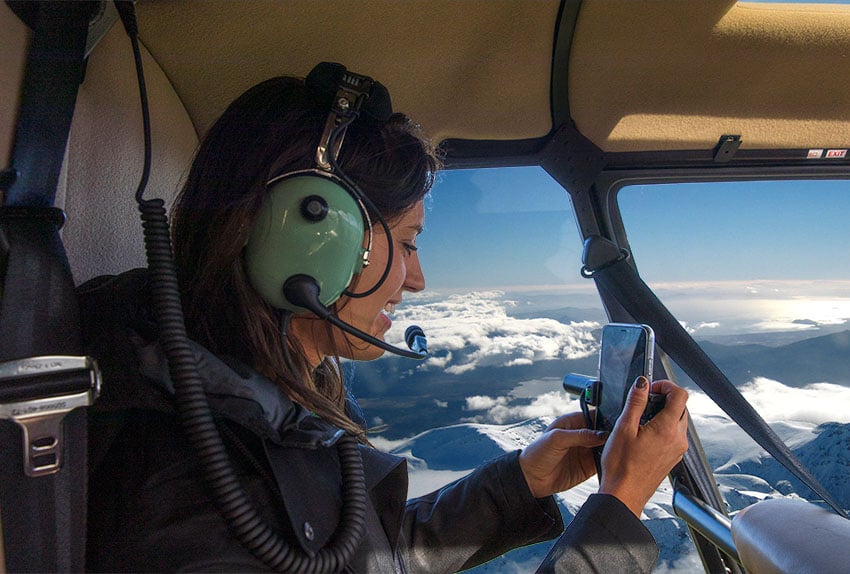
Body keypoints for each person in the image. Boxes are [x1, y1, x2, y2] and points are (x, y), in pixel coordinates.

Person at [81, 63, 689, 573]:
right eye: (408, 241)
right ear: (306, 236)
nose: (418, 280)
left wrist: (520, 482)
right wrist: (620, 506)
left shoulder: (258, 407)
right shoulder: (183, 487)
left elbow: (366, 554)